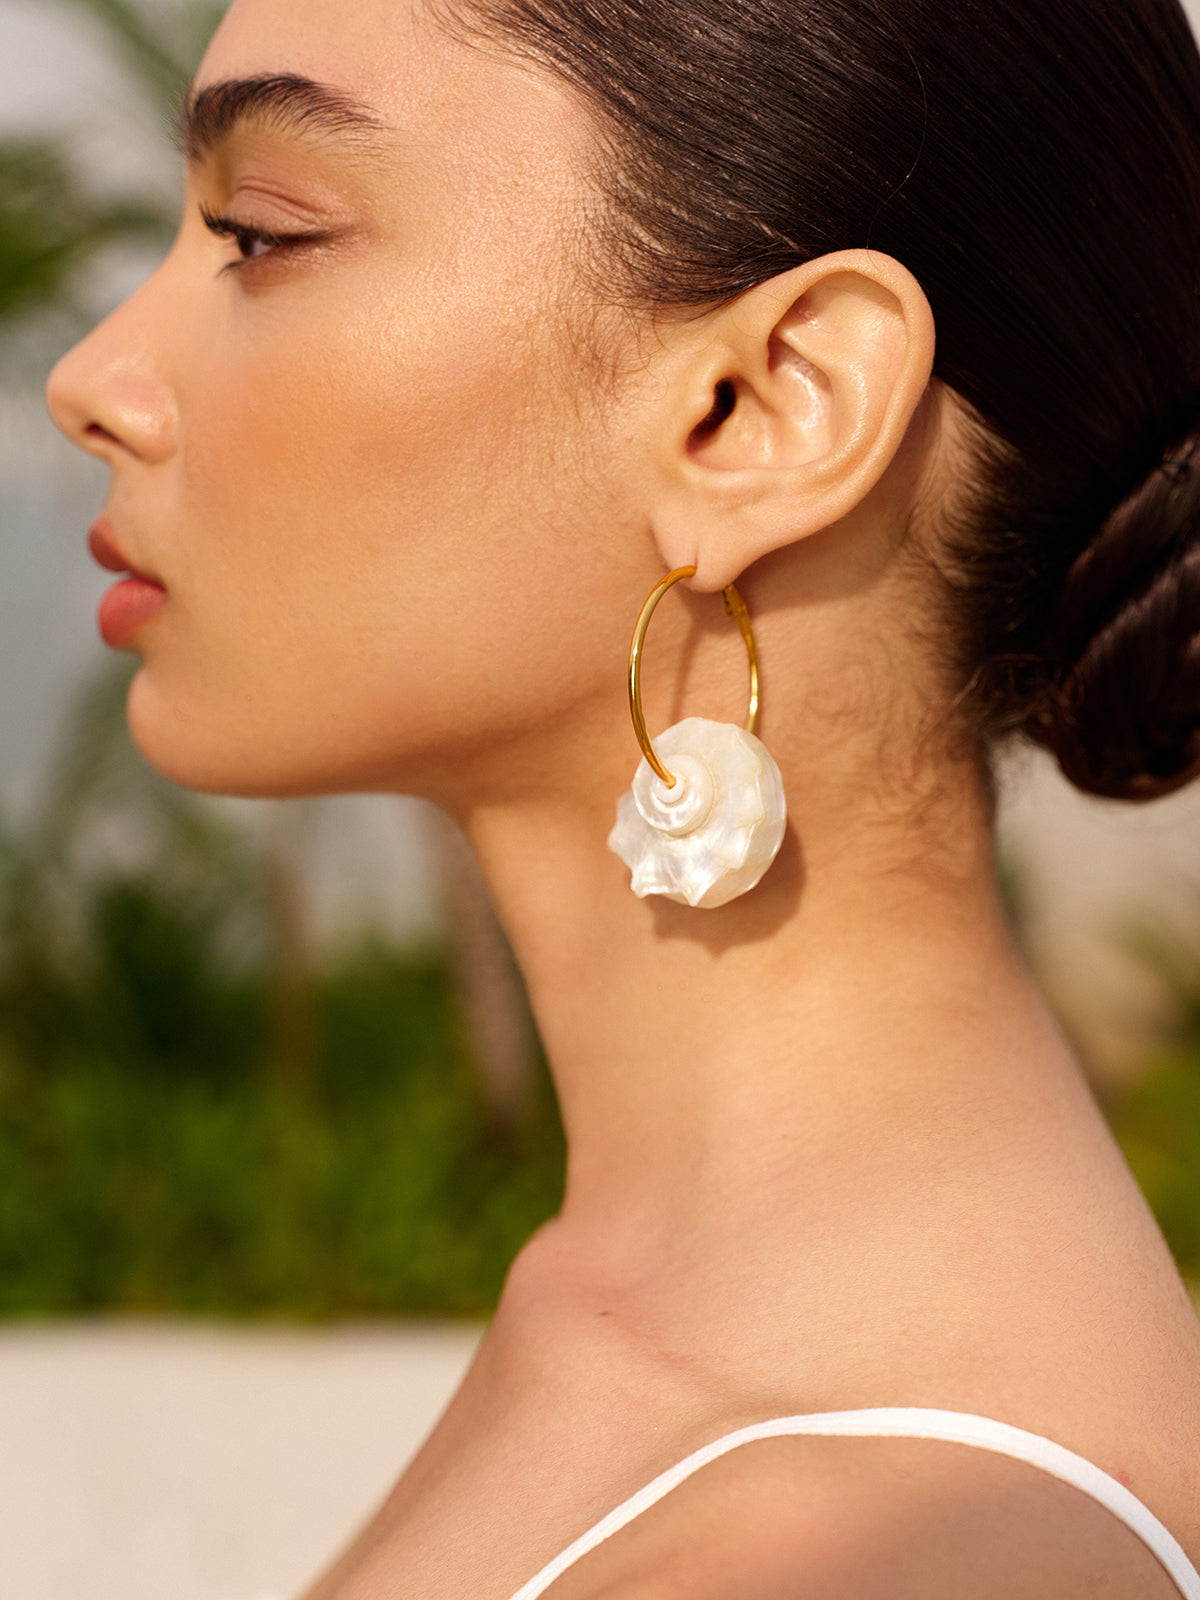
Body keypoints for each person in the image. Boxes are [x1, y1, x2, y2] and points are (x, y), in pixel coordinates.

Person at [44, 0, 1200, 1593]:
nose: (93, 380)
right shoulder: (641, 1303)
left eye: (262, 234)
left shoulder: (889, 1552)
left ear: (766, 408)